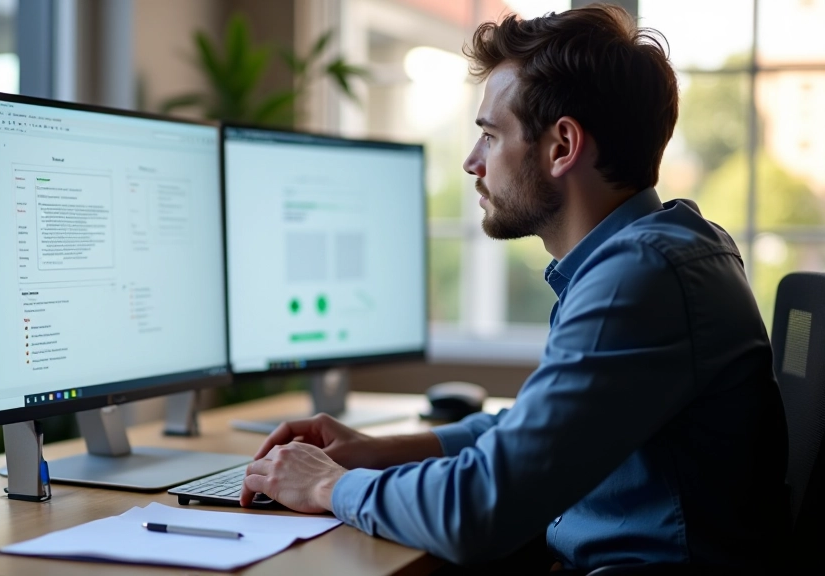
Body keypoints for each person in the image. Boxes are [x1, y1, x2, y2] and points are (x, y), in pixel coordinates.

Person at [240, 3, 790, 573]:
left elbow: (478, 511)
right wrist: (379, 450)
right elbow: (538, 428)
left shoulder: (640, 276)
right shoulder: (661, 249)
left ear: (562, 146)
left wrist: (331, 485)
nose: (472, 163)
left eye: (489, 135)